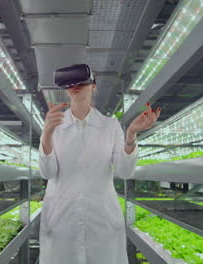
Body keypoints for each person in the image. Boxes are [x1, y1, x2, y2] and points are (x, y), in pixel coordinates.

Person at [38, 70, 160, 263]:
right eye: (71, 83)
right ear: (66, 89)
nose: (76, 85)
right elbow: (47, 172)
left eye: (83, 82)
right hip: (62, 220)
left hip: (102, 221)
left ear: (93, 87)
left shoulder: (110, 126)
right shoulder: (55, 127)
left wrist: (131, 135)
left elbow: (124, 171)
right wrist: (46, 135)